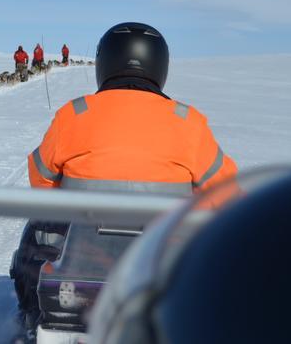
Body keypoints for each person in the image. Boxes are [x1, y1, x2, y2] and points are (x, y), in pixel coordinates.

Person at [13, 22, 238, 333]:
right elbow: (227, 196)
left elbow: (40, 180)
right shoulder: (189, 123)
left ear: (104, 63)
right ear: (160, 66)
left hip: (80, 264)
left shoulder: (75, 114)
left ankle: (32, 317)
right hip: (160, 270)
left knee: (38, 224)